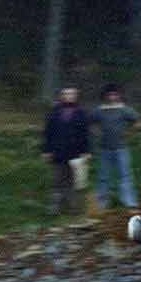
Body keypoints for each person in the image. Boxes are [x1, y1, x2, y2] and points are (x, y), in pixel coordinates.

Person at [90, 84, 140, 210]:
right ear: (105, 96)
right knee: (103, 177)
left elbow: (137, 120)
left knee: (125, 176)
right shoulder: (100, 110)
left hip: (121, 148)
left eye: (115, 94)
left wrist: (129, 133)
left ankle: (129, 202)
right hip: (104, 149)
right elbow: (90, 122)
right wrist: (96, 133)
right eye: (110, 94)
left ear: (118, 95)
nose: (112, 96)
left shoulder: (124, 109)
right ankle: (101, 204)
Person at [42, 87, 91, 215]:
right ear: (62, 96)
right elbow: (48, 133)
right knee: (57, 180)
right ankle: (54, 208)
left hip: (75, 153)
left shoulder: (81, 113)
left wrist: (86, 151)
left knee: (74, 182)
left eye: (72, 94)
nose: (69, 96)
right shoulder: (54, 112)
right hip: (57, 152)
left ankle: (73, 208)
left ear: (76, 96)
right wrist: (46, 151)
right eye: (66, 94)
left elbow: (85, 134)